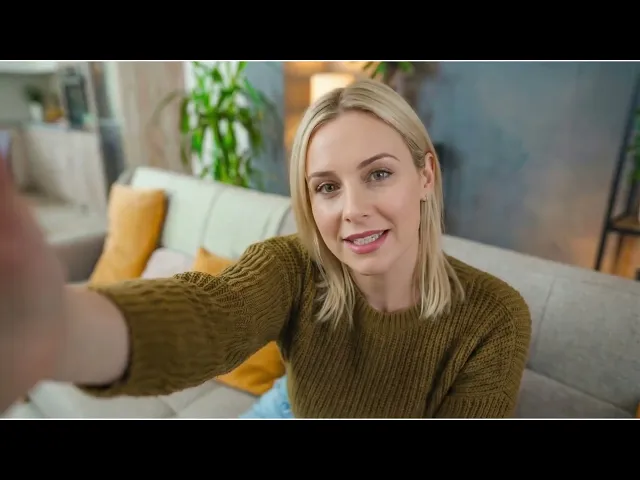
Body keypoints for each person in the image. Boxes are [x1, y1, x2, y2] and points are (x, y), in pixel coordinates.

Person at [0, 78, 532, 418]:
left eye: (378, 174)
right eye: (327, 187)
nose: (352, 209)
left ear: (425, 176)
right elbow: (214, 315)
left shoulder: (495, 319)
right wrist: (51, 328)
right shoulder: (293, 265)